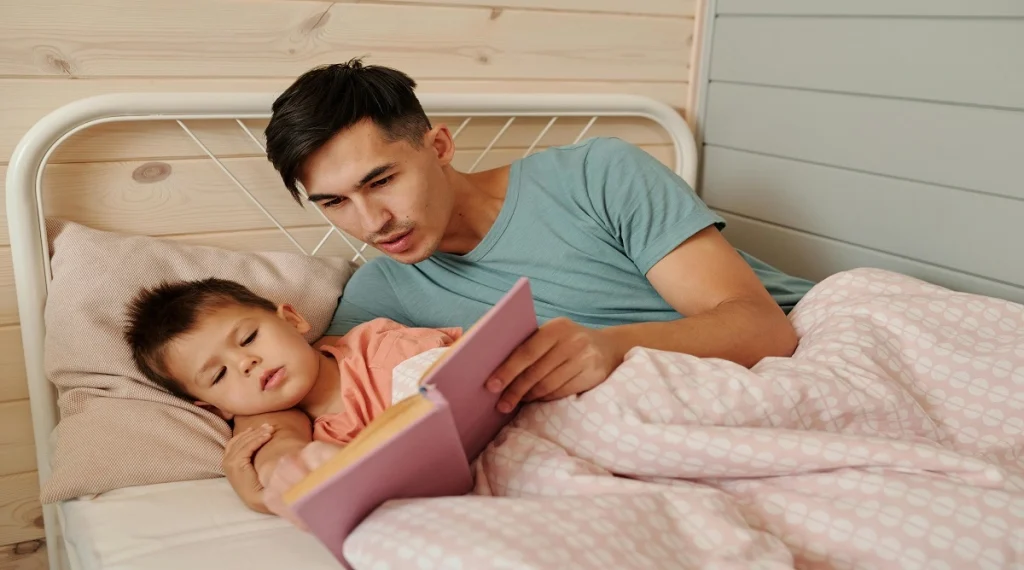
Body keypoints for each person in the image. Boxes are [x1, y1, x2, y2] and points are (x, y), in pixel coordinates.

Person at [251, 58, 816, 517]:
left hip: (809, 346)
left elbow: (763, 326)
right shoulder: (383, 294)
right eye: (334, 203)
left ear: (439, 147)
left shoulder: (599, 175)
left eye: (382, 180)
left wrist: (612, 347)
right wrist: (270, 455)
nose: (372, 221)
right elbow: (294, 391)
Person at [122, 277, 461, 520]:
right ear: (217, 408)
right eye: (218, 375)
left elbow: (470, 362)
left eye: (249, 337)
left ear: (293, 320)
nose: (245, 363)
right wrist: (275, 485)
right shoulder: (298, 437)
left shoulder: (377, 345)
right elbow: (280, 461)